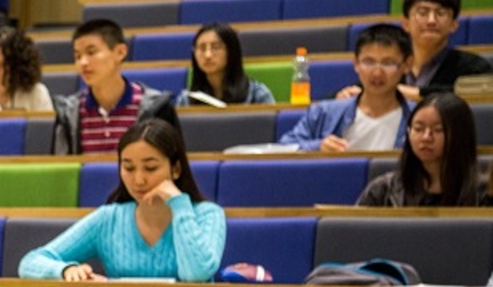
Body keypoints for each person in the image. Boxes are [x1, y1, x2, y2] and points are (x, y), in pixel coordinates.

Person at [22, 120, 225, 282]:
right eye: (128, 168)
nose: (139, 180)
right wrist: (66, 270)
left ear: (176, 169)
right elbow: (30, 262)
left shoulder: (208, 214)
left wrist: (179, 204)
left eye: (151, 168)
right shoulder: (108, 219)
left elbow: (196, 275)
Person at [52, 19, 180, 155]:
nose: (82, 62)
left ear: (120, 52)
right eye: (77, 56)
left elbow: (173, 164)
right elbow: (62, 169)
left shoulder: (157, 108)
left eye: (91, 52)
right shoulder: (68, 113)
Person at [280, 23, 414, 152]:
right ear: (356, 64)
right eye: (369, 62)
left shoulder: (418, 116)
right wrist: (317, 147)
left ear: (407, 65)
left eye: (387, 63)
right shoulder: (323, 113)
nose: (377, 72)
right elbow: (283, 149)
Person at [356, 92, 486, 206]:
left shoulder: (483, 193)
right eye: (418, 129)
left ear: (460, 135)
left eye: (438, 130)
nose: (426, 137)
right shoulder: (383, 190)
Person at [175, 23, 276, 107]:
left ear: (231, 52)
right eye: (202, 48)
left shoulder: (257, 95)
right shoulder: (186, 100)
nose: (208, 55)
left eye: (216, 47)